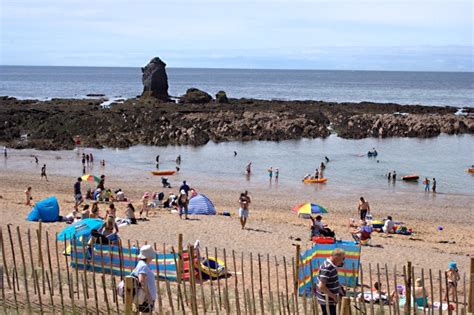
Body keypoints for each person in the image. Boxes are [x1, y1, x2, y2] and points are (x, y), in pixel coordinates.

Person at [317, 249, 346, 315]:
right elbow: (321, 286)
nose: (342, 261)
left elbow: (331, 280)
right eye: (342, 258)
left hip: (329, 300)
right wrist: (334, 297)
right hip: (327, 300)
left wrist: (339, 288)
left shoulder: (331, 266)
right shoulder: (327, 267)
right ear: (337, 257)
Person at [132, 244, 157, 313]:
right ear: (148, 256)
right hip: (145, 298)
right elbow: (142, 281)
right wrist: (149, 297)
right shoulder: (144, 266)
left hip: (144, 297)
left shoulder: (142, 264)